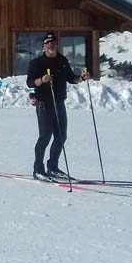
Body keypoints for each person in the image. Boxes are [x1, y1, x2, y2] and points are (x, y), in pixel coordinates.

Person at [26, 32, 89, 181]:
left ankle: (53, 167)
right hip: (44, 104)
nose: (50, 45)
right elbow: (29, 83)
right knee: (45, 137)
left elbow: (71, 78)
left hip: (59, 102)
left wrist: (81, 78)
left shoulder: (62, 60)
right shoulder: (37, 63)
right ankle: (38, 170)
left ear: (57, 44)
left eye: (53, 42)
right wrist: (42, 79)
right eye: (47, 42)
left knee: (61, 136)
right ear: (44, 46)